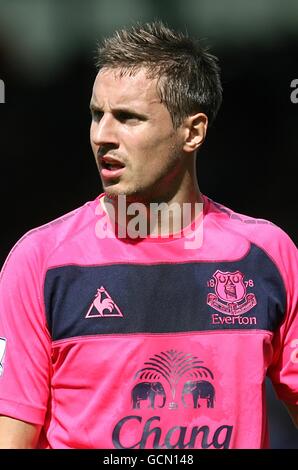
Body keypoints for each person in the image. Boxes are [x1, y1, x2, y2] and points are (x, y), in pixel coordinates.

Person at [0, 21, 297, 450]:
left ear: (192, 132)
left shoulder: (266, 256)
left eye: (127, 118)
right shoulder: (41, 261)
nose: (103, 136)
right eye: (96, 115)